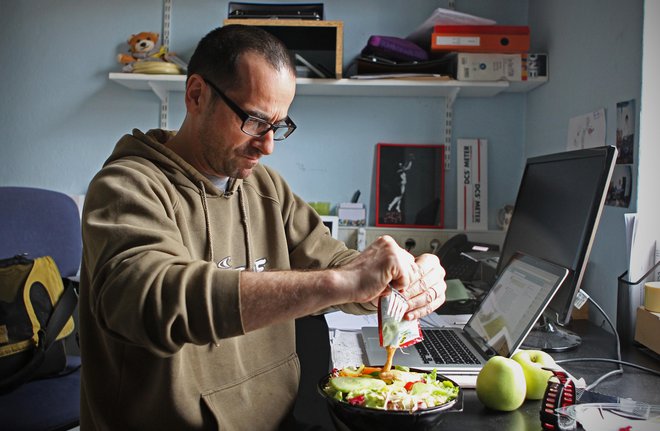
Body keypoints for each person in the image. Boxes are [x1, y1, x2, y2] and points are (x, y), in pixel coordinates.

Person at [79, 24, 447, 430]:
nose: (268, 145)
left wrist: (403, 279)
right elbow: (150, 299)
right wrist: (339, 282)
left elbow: (342, 265)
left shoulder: (265, 187)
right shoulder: (125, 187)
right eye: (254, 121)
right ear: (197, 95)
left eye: (279, 126)